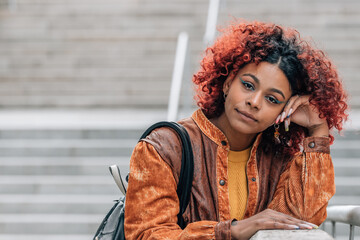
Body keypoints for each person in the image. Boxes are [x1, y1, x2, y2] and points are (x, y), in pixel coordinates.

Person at [124, 20, 348, 240]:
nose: (255, 102)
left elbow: (301, 221)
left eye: (272, 99)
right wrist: (231, 231)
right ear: (228, 82)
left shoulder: (280, 160)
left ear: (285, 110)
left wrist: (318, 130)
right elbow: (146, 234)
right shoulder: (165, 147)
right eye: (248, 85)